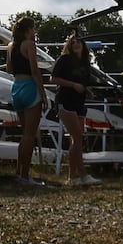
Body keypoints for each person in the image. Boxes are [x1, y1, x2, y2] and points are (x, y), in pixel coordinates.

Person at [50, 30, 102, 186]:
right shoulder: (64, 60)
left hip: (79, 103)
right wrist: (73, 85)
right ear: (69, 46)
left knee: (77, 139)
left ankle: (72, 178)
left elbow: (82, 83)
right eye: (72, 42)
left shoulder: (86, 63)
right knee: (78, 137)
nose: (76, 44)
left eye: (78, 41)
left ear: (83, 44)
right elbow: (53, 78)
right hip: (65, 101)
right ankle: (84, 175)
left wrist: (87, 91)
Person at [5, 15, 48, 186]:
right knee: (30, 135)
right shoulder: (30, 45)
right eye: (34, 28)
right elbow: (35, 70)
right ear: (28, 30)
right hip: (30, 86)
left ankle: (18, 172)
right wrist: (43, 94)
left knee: (25, 134)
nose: (35, 32)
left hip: (16, 87)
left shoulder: (10, 46)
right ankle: (24, 175)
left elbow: (9, 68)